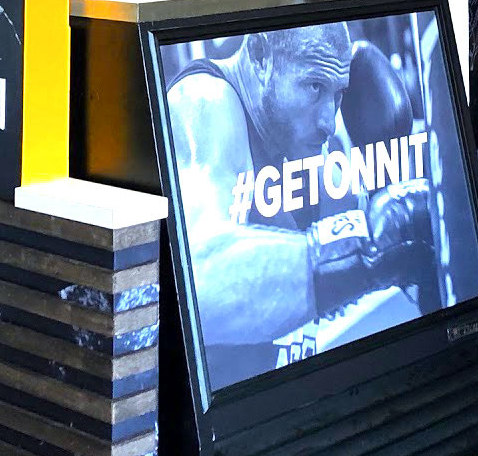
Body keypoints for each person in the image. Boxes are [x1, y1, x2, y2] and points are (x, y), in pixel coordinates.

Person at [165, 23, 434, 381]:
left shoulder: (305, 146)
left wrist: (401, 211)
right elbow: (197, 280)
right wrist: (371, 243)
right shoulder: (205, 101)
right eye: (314, 87)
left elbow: (372, 234)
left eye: (338, 94)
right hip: (205, 405)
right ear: (261, 56)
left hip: (280, 394)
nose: (329, 121)